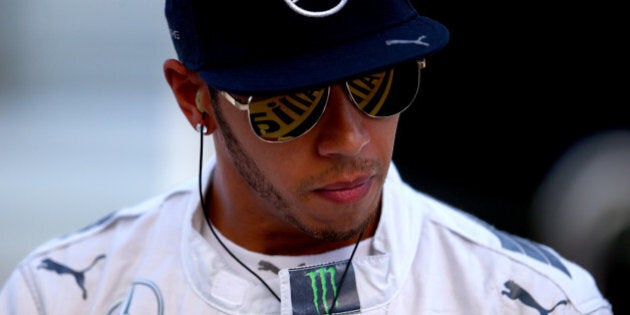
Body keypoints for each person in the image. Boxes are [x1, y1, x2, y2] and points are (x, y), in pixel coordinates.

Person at [0, 0, 613, 314]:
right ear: (195, 100)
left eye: (382, 84)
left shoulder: (534, 300)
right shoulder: (60, 296)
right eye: (289, 103)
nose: (348, 139)